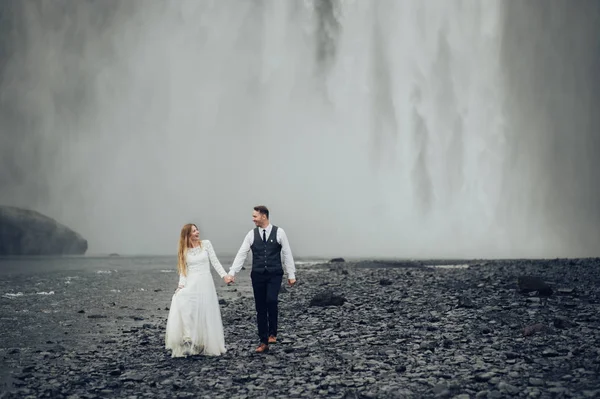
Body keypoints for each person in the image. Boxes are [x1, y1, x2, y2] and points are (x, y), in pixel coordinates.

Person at [227, 205, 296, 353]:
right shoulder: (251, 235)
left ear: (263, 216)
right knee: (260, 308)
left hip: (274, 274)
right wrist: (232, 272)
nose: (253, 219)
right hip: (258, 275)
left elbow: (287, 253)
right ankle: (263, 341)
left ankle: (273, 333)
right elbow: (242, 253)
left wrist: (291, 275)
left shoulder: (279, 232)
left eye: (255, 216)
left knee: (271, 300)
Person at [165, 223, 232, 357]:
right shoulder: (184, 250)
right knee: (183, 302)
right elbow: (183, 272)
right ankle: (189, 338)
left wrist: (225, 275)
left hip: (205, 283)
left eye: (197, 230)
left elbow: (215, 261)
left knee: (205, 312)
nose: (197, 232)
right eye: (194, 231)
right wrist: (180, 286)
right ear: (188, 235)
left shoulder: (206, 244)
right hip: (191, 282)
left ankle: (205, 343)